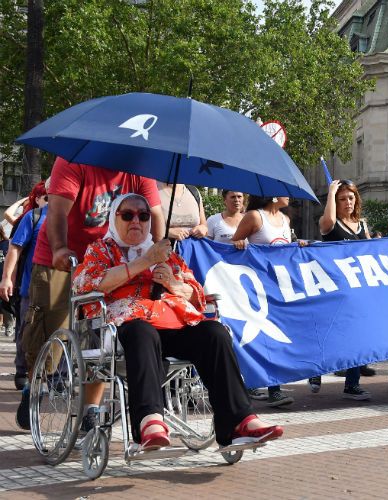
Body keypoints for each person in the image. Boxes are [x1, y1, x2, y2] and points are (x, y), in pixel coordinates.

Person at [73, 193, 282, 451]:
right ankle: (150, 421)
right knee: (142, 331)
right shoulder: (101, 250)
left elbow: (196, 291)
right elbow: (86, 284)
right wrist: (143, 262)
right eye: (127, 215)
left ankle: (239, 422)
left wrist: (173, 284)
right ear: (114, 217)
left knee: (214, 333)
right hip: (128, 328)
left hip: (174, 323)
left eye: (144, 215)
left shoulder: (164, 252)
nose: (136, 220)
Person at [15, 157, 165, 431]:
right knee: (48, 328)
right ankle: (35, 385)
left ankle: (90, 410)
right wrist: (60, 248)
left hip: (110, 258)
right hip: (61, 257)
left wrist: (157, 254)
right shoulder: (74, 160)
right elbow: (57, 212)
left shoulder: (139, 165)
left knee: (98, 333)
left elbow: (154, 213)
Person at [308, 179, 373, 401]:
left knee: (355, 336)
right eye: (342, 199)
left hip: (355, 290)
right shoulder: (330, 223)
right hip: (332, 288)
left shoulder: (363, 225)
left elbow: (371, 252)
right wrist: (331, 192)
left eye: (351, 198)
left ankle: (352, 384)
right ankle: (315, 370)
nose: (347, 202)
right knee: (328, 334)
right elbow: (327, 222)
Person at [232, 195, 298, 406]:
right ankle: (272, 388)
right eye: (284, 192)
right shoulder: (254, 217)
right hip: (257, 288)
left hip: (281, 288)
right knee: (264, 337)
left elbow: (287, 250)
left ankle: (261, 384)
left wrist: (300, 245)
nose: (289, 196)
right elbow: (232, 246)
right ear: (273, 194)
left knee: (276, 337)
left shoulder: (286, 220)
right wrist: (239, 243)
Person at [0, 181, 48, 391]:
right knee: (27, 332)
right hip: (30, 286)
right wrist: (7, 278)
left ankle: (58, 375)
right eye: (46, 196)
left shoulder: (70, 218)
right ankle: (23, 371)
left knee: (61, 330)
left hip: (62, 287)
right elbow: (15, 248)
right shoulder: (33, 216)